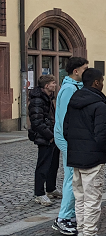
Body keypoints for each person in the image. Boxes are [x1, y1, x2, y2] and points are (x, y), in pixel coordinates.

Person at [63, 68, 106, 236]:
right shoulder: (98, 104)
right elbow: (103, 134)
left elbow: (66, 129)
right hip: (93, 157)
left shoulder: (74, 100)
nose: (103, 84)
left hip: (76, 155)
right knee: (92, 198)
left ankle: (82, 234)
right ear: (96, 82)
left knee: (80, 198)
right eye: (102, 81)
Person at [52, 56, 89, 236]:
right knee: (71, 179)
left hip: (71, 138)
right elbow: (66, 118)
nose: (87, 72)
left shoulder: (75, 87)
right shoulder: (69, 89)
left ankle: (70, 214)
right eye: (85, 69)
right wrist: (71, 140)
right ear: (76, 71)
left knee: (73, 177)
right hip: (67, 139)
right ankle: (64, 217)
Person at [28, 74, 61, 206]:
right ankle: (39, 193)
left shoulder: (48, 98)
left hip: (52, 136)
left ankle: (51, 189)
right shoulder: (38, 100)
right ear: (47, 86)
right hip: (45, 137)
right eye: (53, 83)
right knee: (43, 165)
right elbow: (37, 122)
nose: (55, 85)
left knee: (53, 164)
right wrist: (50, 136)